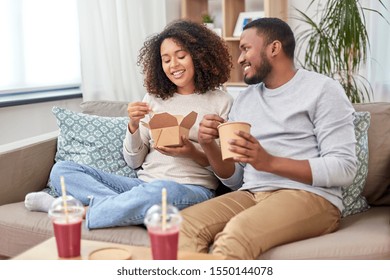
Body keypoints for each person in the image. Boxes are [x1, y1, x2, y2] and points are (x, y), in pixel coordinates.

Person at [24, 19, 233, 229]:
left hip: (190, 189)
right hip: (141, 184)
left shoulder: (221, 102)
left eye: (181, 56)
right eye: (166, 60)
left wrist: (191, 152)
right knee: (62, 170)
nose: (174, 65)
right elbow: (134, 162)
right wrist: (133, 125)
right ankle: (130, 208)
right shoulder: (154, 98)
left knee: (162, 190)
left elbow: (228, 173)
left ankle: (81, 211)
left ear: (199, 56)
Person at [178, 17, 358, 259]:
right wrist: (209, 144)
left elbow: (344, 168)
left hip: (310, 196)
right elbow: (235, 179)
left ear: (274, 48)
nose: (239, 58)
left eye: (245, 48)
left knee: (236, 235)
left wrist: (269, 162)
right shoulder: (244, 99)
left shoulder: (323, 89)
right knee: (181, 226)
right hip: (252, 193)